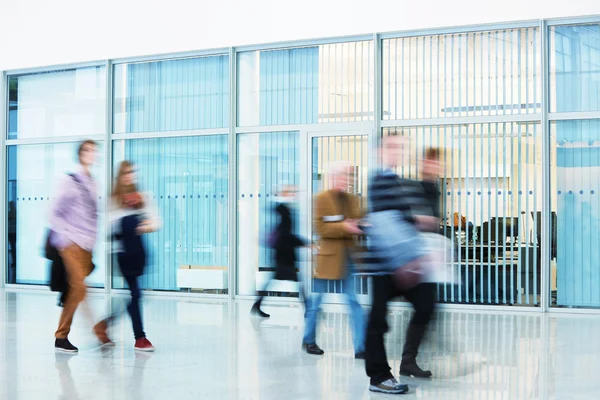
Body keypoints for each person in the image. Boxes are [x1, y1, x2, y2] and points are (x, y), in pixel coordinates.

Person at [364, 136, 438, 395]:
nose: (398, 152)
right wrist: (410, 260)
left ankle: (407, 362)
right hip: (387, 265)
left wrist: (419, 223)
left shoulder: (393, 181)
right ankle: (379, 377)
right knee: (377, 320)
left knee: (426, 304)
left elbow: (401, 220)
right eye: (392, 147)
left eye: (401, 147)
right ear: (379, 151)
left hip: (403, 263)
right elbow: (386, 225)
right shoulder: (379, 181)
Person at [50, 140, 112, 353]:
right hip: (70, 245)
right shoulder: (69, 180)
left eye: (94, 151)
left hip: (86, 247)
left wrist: (92, 242)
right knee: (80, 288)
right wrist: (68, 237)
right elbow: (53, 213)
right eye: (88, 150)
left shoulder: (93, 183)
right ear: (80, 154)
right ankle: (96, 332)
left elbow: (92, 216)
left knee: (76, 292)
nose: (92, 154)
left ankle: (62, 337)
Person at [302, 162, 366, 358]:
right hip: (328, 260)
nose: (345, 180)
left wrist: (359, 224)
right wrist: (344, 227)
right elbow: (320, 229)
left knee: (354, 302)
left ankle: (360, 347)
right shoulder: (321, 199)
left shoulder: (353, 199)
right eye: (341, 176)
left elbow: (358, 221)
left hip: (349, 258)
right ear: (332, 178)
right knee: (316, 302)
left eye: (347, 177)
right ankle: (309, 340)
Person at [103, 161, 161, 352]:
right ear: (120, 176)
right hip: (123, 253)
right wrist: (130, 223)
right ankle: (140, 337)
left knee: (134, 295)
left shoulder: (143, 198)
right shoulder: (113, 200)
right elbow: (109, 228)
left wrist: (144, 225)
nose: (130, 176)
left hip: (140, 251)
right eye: (127, 173)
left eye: (133, 172)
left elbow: (156, 221)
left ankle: (107, 322)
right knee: (136, 294)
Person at [251, 185, 310, 318]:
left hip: (283, 253)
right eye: (291, 192)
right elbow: (286, 234)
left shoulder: (285, 210)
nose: (294, 194)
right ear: (284, 194)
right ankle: (308, 308)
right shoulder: (284, 211)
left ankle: (257, 305)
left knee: (278, 280)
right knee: (296, 282)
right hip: (284, 254)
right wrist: (304, 243)